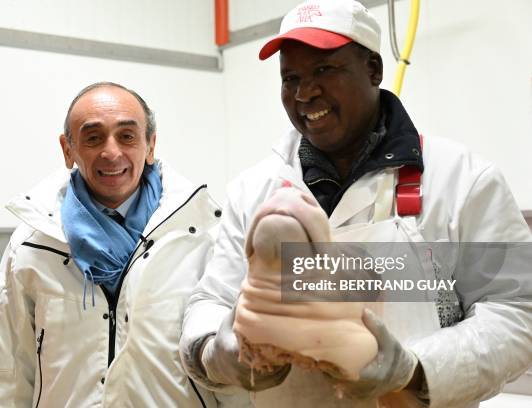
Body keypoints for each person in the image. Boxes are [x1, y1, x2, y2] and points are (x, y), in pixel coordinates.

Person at [179, 0, 532, 407]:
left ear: (374, 70)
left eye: (324, 71)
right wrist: (222, 352)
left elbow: (517, 313)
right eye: (290, 77)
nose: (305, 93)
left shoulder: (463, 181)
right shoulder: (253, 191)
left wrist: (413, 370)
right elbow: (210, 301)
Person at [0, 82, 221, 407]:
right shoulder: (32, 245)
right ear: (68, 150)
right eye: (93, 137)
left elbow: (225, 372)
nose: (111, 152)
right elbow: (7, 372)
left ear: (150, 146)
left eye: (127, 136)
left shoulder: (199, 236)